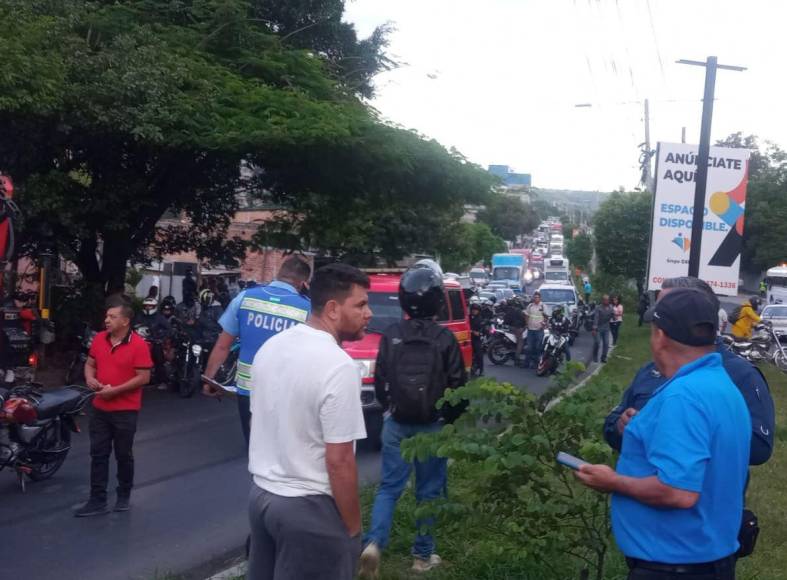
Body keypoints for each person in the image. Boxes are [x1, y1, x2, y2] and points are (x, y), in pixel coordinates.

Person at [578, 288, 750, 580]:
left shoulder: (683, 396)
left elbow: (679, 492)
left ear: (660, 336)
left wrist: (613, 481)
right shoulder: (721, 385)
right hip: (710, 560)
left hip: (674, 568)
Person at [246, 264, 371, 580]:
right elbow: (339, 462)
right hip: (308, 511)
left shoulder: (271, 348)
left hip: (261, 498)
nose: (368, 313)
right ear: (332, 308)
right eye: (360, 304)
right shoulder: (338, 366)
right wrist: (354, 531)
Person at [360, 267, 467, 578]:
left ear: (403, 301)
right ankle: (421, 556)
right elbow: (459, 384)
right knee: (428, 491)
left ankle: (373, 543)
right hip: (432, 424)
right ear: (437, 302)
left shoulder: (391, 334)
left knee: (389, 488)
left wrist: (389, 409)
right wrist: (449, 419)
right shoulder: (444, 337)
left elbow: (380, 381)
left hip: (396, 423)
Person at [604, 276, 775, 466]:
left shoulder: (740, 374)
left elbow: (760, 448)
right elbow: (612, 422)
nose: (659, 320)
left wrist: (671, 431)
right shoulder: (651, 369)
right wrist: (620, 426)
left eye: (669, 309)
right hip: (640, 488)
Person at [202, 256, 312, 447]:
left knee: (255, 449)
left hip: (248, 390)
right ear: (303, 283)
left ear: (279, 274)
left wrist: (209, 380)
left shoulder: (245, 297)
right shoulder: (308, 309)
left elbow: (222, 346)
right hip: (286, 393)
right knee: (282, 452)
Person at [75, 301, 153, 517]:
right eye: (106, 316)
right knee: (98, 454)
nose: (106, 320)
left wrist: (115, 390)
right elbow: (90, 363)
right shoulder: (100, 338)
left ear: (125, 321)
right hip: (100, 407)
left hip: (125, 411)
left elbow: (144, 377)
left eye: (112, 316)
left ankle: (123, 495)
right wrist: (90, 378)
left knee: (123, 455)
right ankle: (97, 500)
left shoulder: (138, 345)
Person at [522, 292, 547, 369]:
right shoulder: (530, 306)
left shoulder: (543, 306)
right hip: (530, 330)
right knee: (529, 347)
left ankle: (535, 364)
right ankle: (526, 363)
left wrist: (543, 325)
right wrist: (526, 324)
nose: (536, 298)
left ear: (540, 298)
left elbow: (546, 317)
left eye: (537, 297)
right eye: (535, 297)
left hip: (539, 330)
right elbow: (526, 315)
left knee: (537, 347)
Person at [503, 297, 526, 365]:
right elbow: (522, 320)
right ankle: (517, 358)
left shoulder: (510, 309)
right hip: (516, 328)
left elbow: (506, 319)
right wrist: (524, 325)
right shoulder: (518, 311)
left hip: (510, 327)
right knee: (520, 342)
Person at [592, 294, 613, 363]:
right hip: (598, 328)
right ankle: (595, 356)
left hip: (606, 328)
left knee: (606, 343)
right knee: (597, 342)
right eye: (605, 300)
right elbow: (596, 318)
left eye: (608, 300)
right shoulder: (598, 308)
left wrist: (614, 317)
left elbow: (612, 315)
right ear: (602, 300)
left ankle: (603, 357)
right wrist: (594, 328)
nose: (607, 301)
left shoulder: (610, 307)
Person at [469, 302, 485, 376]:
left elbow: (480, 332)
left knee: (479, 354)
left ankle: (481, 370)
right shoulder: (468, 317)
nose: (474, 311)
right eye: (473, 309)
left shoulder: (480, 319)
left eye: (476, 310)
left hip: (476, 339)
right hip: (468, 338)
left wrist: (472, 331)